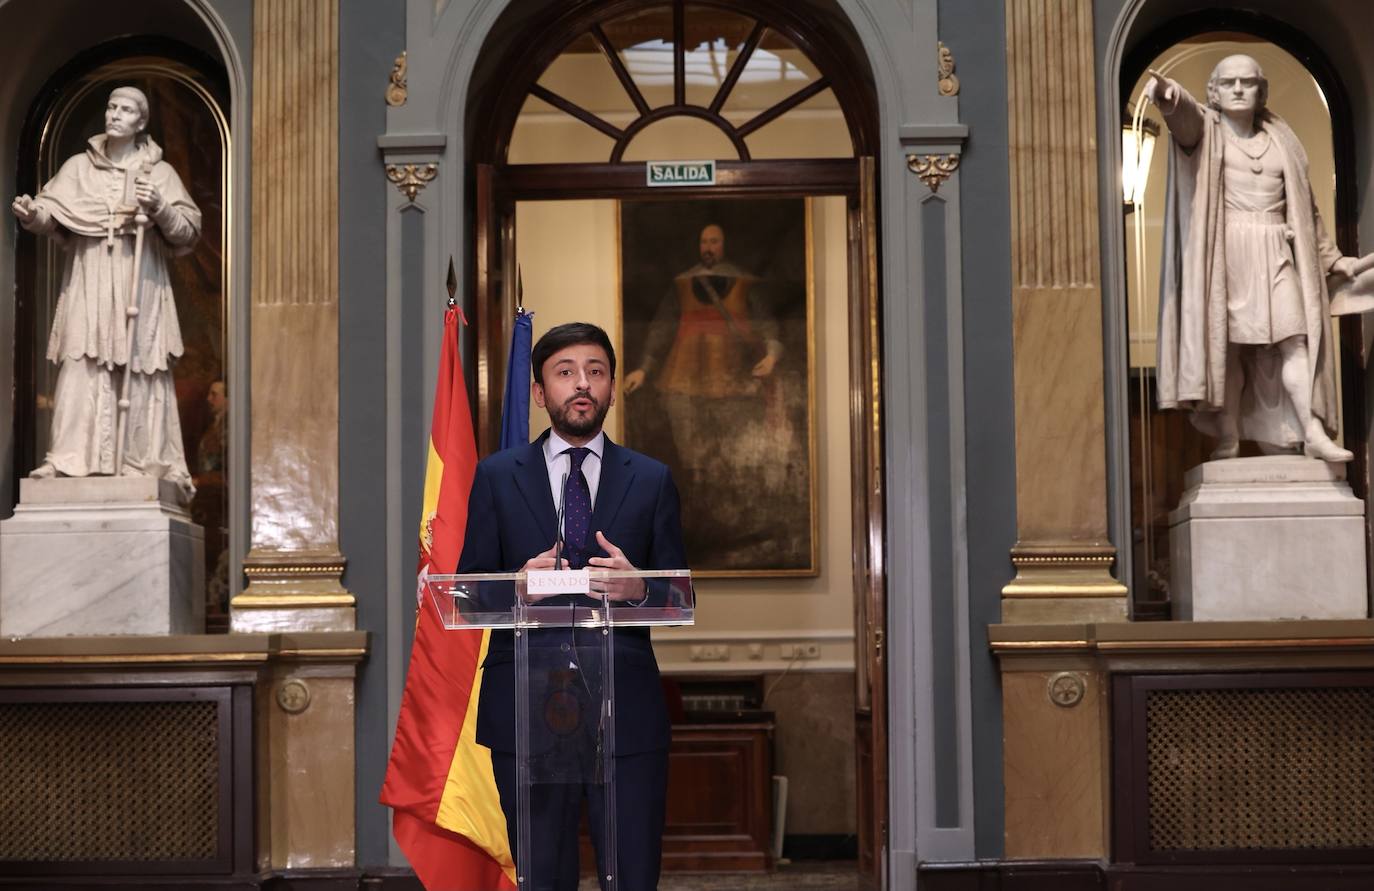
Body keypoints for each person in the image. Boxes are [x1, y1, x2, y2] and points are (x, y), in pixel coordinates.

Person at [458, 322, 687, 891]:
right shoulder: (495, 477)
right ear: (540, 393)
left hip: (625, 710)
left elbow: (681, 596)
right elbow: (464, 594)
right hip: (526, 711)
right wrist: (514, 585)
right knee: (544, 877)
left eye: (596, 372)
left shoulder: (653, 479)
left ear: (611, 388)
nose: (582, 384)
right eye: (565, 373)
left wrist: (641, 589)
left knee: (632, 874)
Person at [1145, 55, 1369, 462]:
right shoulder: (1209, 134)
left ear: (1261, 90)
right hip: (1228, 253)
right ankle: (1228, 437)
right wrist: (1170, 98)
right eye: (1228, 82)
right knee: (1227, 348)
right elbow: (1185, 121)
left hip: (1276, 248)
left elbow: (1306, 209)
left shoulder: (1282, 140)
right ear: (1213, 92)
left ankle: (1312, 432)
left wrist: (1334, 259)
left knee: (1295, 340)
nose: (1237, 89)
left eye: (1247, 82)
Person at [12, 85, 201, 493]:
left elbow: (188, 231)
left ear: (141, 121)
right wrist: (33, 214)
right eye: (111, 106)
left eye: (126, 109)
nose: (114, 114)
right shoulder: (79, 167)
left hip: (140, 281)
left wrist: (160, 207)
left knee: (141, 362)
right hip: (90, 276)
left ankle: (142, 459)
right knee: (81, 358)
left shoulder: (159, 174)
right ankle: (66, 459)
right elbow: (53, 210)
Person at [622, 223, 789, 547]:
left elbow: (767, 323)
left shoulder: (745, 283)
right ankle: (697, 523)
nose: (708, 247)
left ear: (724, 245)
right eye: (704, 241)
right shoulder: (682, 285)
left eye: (714, 241)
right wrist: (643, 369)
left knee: (727, 456)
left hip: (732, 384)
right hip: (683, 379)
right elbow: (661, 328)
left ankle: (733, 521)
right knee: (691, 458)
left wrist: (771, 355)